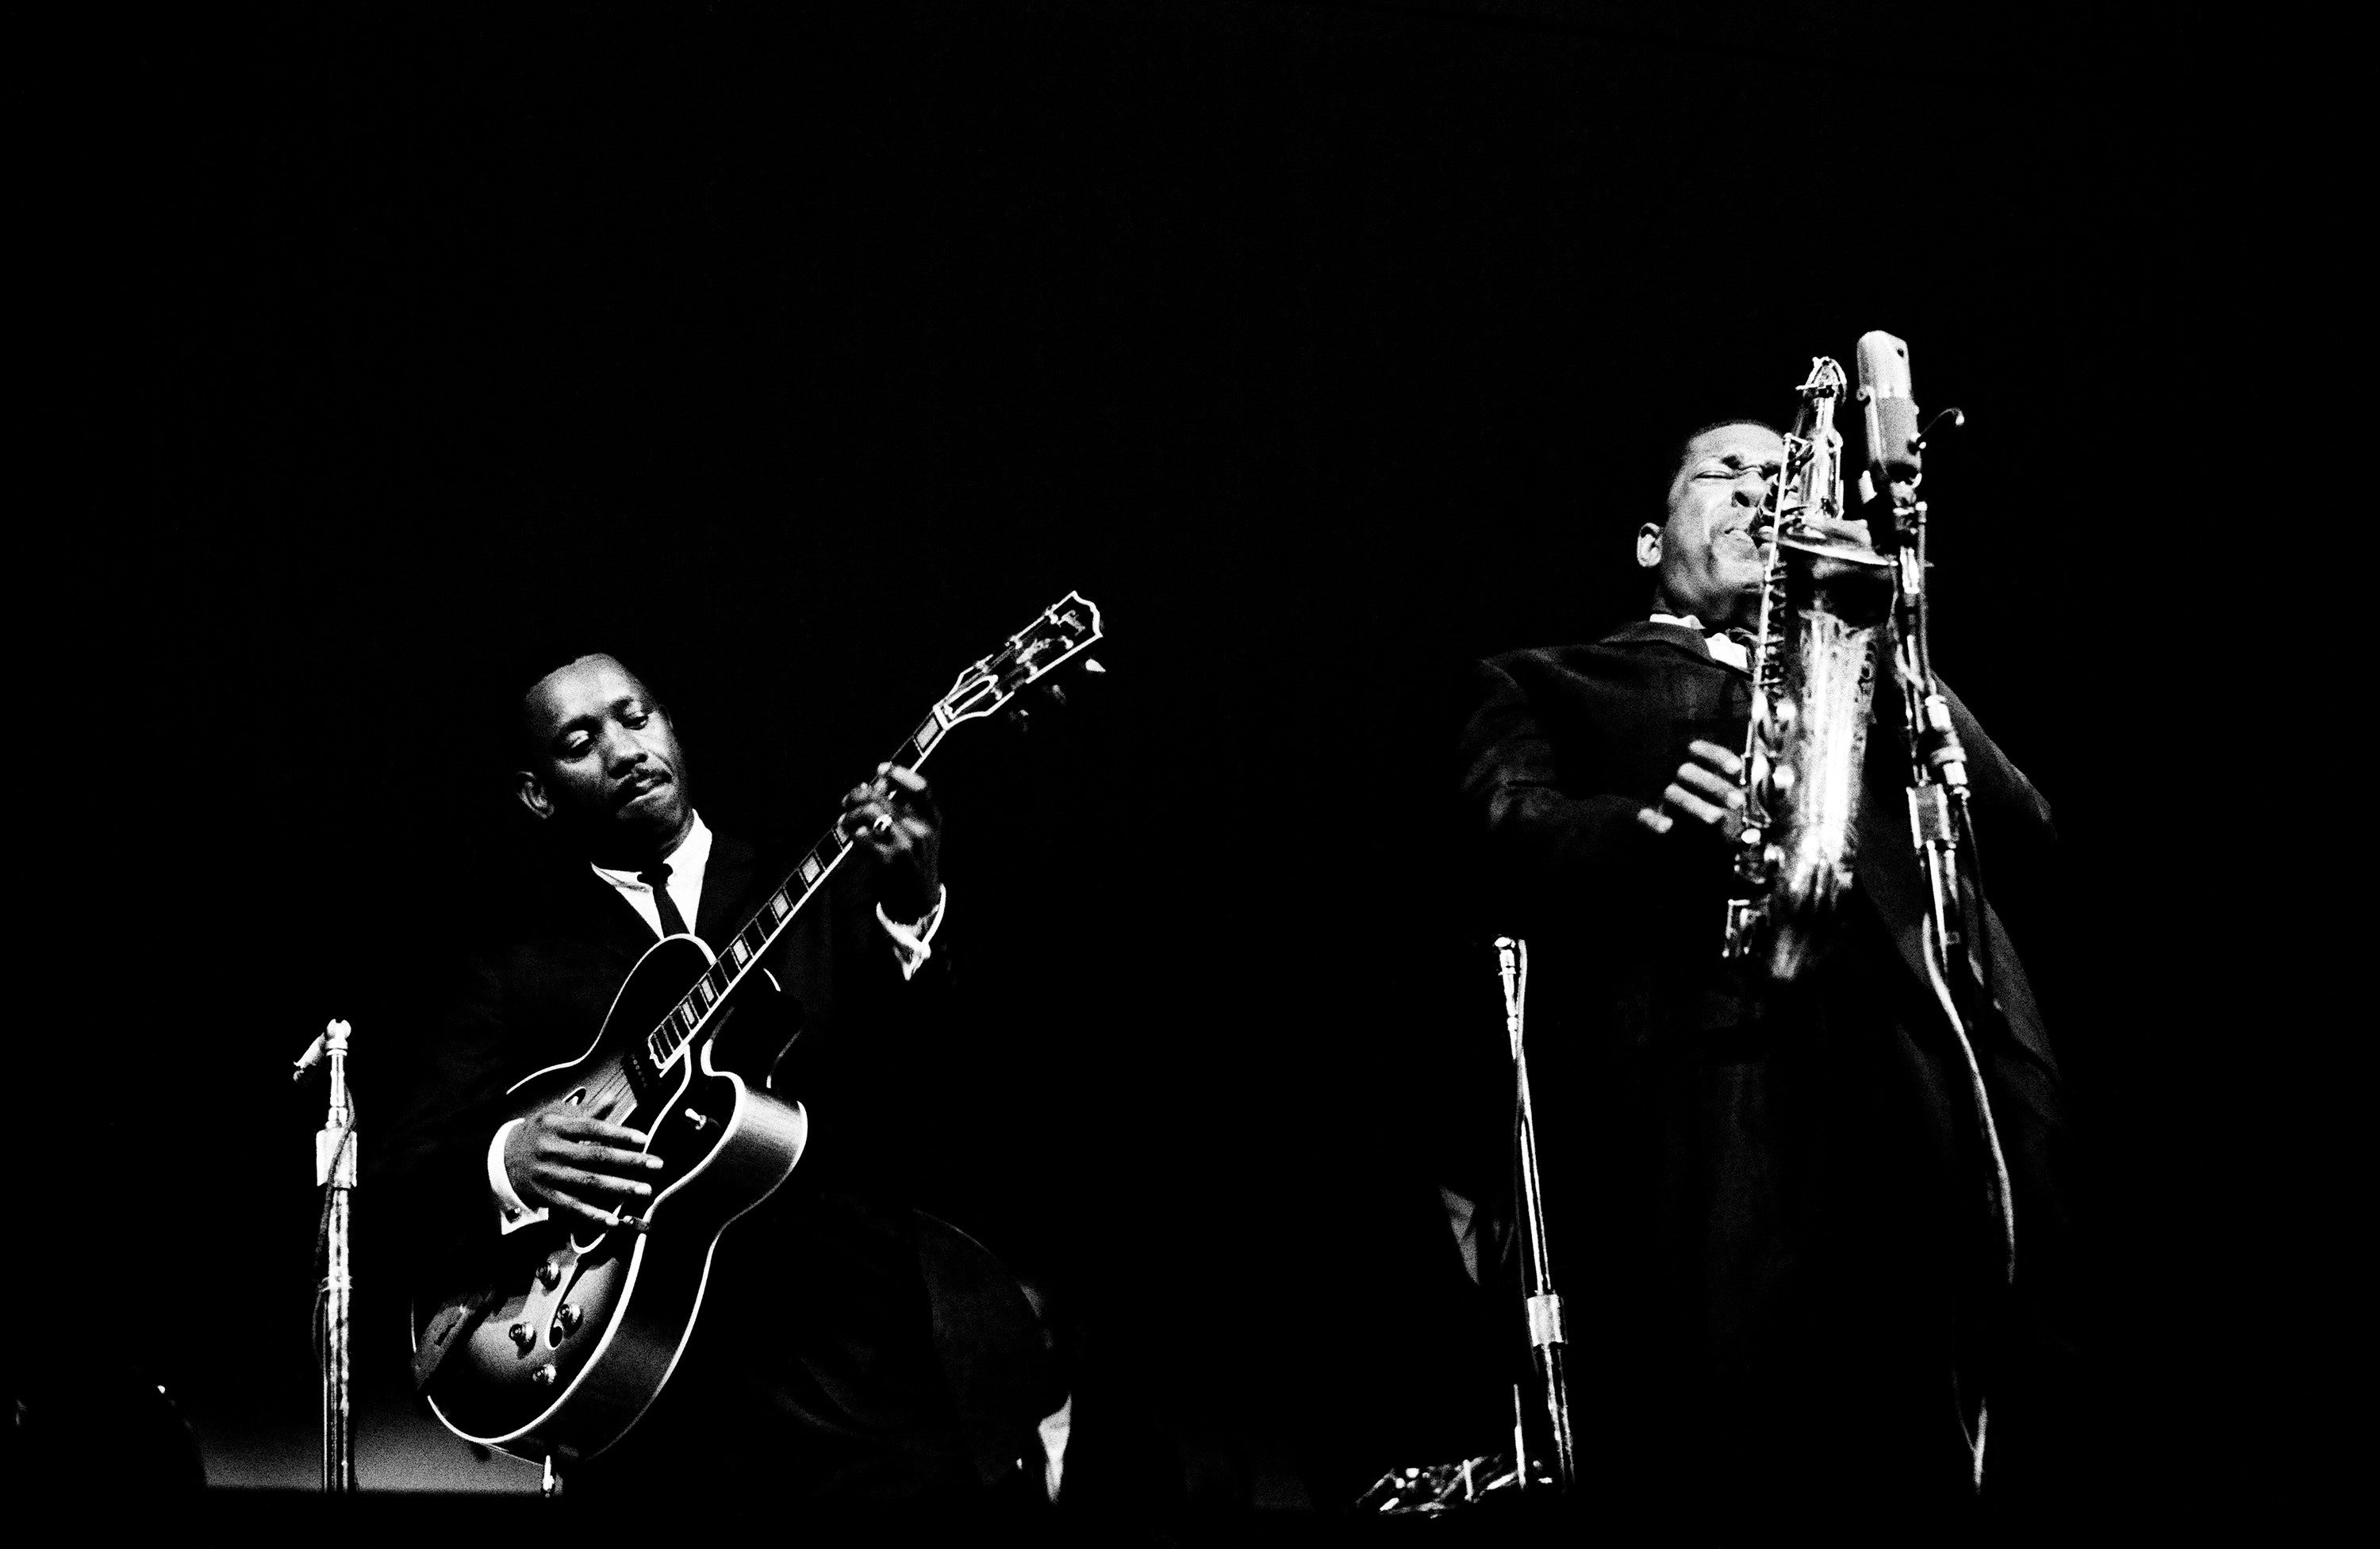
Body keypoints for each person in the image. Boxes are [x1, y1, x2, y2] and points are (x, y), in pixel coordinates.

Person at [1456, 420, 2074, 1528]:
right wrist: (1646, 828)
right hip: (1709, 1086)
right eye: (1727, 474)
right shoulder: (1549, 678)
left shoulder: (1879, 672)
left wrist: (1889, 638)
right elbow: (1507, 830)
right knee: (1733, 1439)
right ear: (1652, 541)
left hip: (1918, 1078)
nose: (1763, 495)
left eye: (1782, 477)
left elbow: (2021, 828)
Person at [380, 650, 1055, 1506]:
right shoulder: (514, 966)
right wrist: (507, 1163)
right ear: (538, 793)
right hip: (645, 1424)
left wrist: (914, 913)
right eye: (580, 741)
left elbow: (954, 1094)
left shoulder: (822, 884)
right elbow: (404, 1179)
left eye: (636, 717)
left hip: (854, 1398)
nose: (624, 751)